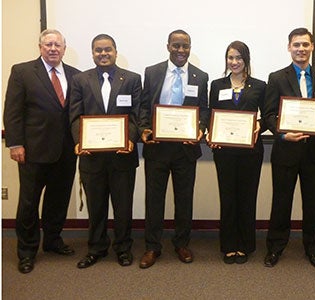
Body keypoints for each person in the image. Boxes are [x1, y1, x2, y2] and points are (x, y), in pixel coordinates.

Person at [3, 29, 80, 274]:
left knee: (58, 200)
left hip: (67, 151)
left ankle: (53, 240)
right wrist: (15, 144)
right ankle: (26, 251)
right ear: (40, 47)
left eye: (58, 44)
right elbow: (12, 111)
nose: (53, 48)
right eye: (48, 44)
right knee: (29, 203)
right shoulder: (22, 72)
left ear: (65, 49)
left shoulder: (76, 76)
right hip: (32, 152)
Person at [138, 29, 209, 268]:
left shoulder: (201, 76)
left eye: (185, 46)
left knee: (184, 199)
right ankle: (152, 247)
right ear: (168, 46)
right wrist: (144, 129)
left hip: (185, 149)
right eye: (176, 45)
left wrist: (200, 128)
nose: (181, 50)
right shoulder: (152, 72)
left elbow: (204, 109)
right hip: (157, 148)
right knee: (154, 200)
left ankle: (181, 243)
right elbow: (144, 106)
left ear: (190, 48)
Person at [69, 34, 142, 268]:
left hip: (123, 157)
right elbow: (75, 115)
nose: (103, 54)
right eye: (98, 50)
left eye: (107, 49)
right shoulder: (80, 80)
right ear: (92, 53)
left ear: (115, 52)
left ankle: (123, 248)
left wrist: (130, 138)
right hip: (92, 157)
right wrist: (80, 140)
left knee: (123, 207)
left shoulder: (131, 79)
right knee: (96, 206)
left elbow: (135, 115)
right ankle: (96, 248)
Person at [263, 28, 315, 269]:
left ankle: (313, 249)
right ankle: (275, 247)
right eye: (296, 45)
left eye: (305, 44)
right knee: (281, 202)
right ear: (289, 47)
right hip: (285, 151)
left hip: (313, 152)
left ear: (312, 47)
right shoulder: (277, 77)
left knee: (313, 203)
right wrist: (282, 133)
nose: (301, 49)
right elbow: (269, 114)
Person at [206, 41, 267, 264]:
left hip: (251, 151)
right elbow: (211, 114)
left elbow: (267, 115)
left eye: (239, 58)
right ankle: (229, 245)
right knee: (228, 196)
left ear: (246, 60)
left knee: (247, 197)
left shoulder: (260, 85)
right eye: (230, 58)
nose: (234, 62)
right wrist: (210, 133)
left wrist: (261, 124)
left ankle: (246, 245)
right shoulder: (217, 84)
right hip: (224, 151)